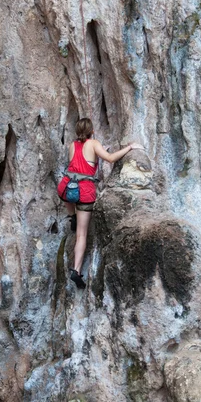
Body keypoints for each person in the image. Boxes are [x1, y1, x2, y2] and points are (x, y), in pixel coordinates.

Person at [57, 118, 144, 289]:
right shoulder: (94, 143)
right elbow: (110, 159)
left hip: (66, 186)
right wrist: (129, 147)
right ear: (91, 131)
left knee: (65, 196)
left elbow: (80, 161)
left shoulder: (72, 145)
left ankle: (72, 216)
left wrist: (98, 151)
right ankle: (76, 270)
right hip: (84, 190)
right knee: (81, 235)